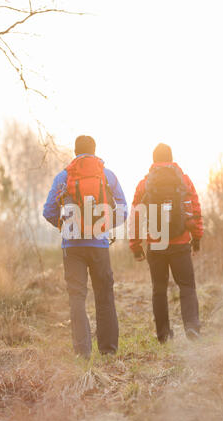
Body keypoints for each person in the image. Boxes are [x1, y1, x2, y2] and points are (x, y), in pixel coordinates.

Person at [43, 135, 127, 359]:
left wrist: (64, 225)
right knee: (105, 296)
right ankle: (108, 350)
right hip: (99, 244)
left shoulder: (64, 176)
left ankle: (83, 352)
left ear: (75, 152)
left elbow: (48, 211)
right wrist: (105, 226)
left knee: (77, 298)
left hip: (72, 247)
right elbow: (123, 209)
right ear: (94, 150)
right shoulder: (107, 176)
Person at [129, 143, 203, 342]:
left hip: (156, 244)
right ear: (171, 159)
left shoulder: (144, 184)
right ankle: (192, 328)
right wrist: (196, 238)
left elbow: (136, 216)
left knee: (159, 289)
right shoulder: (184, 181)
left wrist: (135, 246)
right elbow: (194, 210)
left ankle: (162, 335)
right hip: (180, 244)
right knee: (187, 286)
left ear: (153, 160)